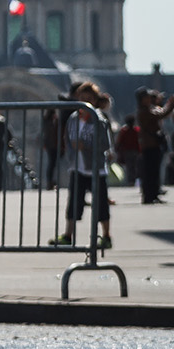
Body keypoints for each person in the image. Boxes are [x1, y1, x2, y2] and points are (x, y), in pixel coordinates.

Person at [51, 80, 113, 250]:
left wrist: (86, 146)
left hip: (95, 168)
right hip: (78, 166)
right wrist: (71, 153)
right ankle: (68, 235)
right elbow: (67, 138)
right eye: (82, 98)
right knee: (74, 203)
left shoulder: (98, 118)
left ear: (94, 100)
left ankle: (106, 236)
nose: (85, 101)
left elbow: (105, 144)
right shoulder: (73, 118)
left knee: (101, 204)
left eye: (88, 98)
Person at [135, 87, 174, 204]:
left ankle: (153, 194)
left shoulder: (146, 109)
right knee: (150, 172)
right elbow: (160, 114)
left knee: (153, 172)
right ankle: (149, 196)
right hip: (150, 145)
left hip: (152, 144)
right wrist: (170, 105)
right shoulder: (144, 111)